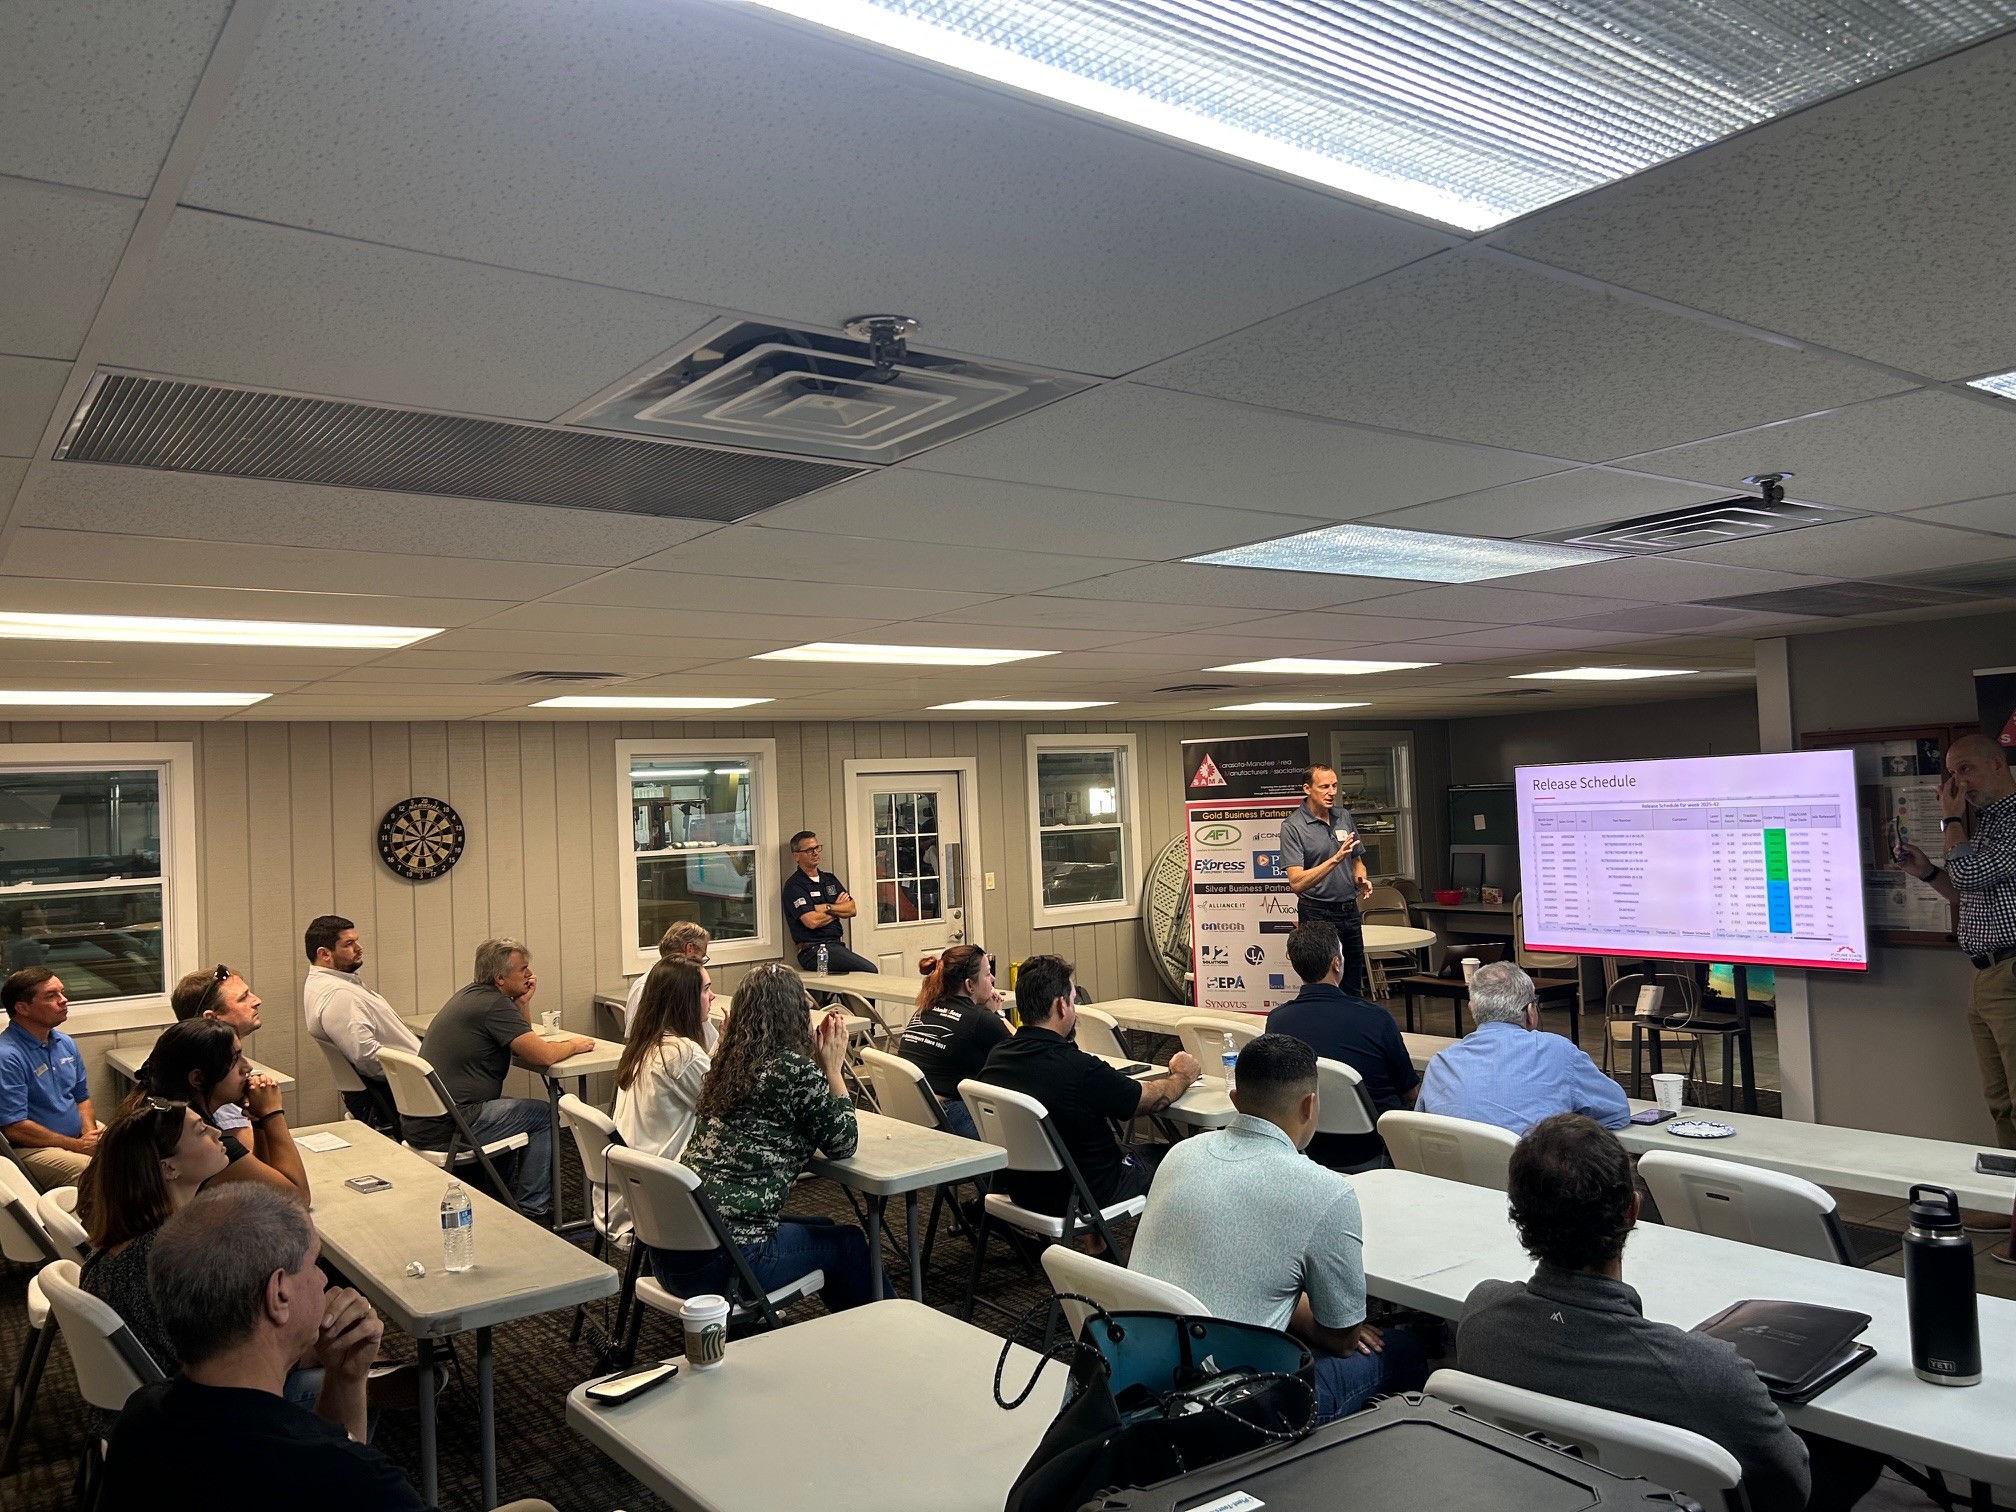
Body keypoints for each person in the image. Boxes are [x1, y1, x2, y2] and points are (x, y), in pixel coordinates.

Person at [1457, 1115, 1882, 1512]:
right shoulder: (1707, 1370)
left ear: (1518, 1214)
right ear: (1632, 1210)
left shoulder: (1481, 1316)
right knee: (1855, 1452)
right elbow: (1790, 1491)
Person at [1132, 1034, 1426, 1422]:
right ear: (1310, 1105)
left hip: (1141, 1376)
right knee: (1406, 1350)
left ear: (1234, 1100)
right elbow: (1342, 1339)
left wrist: (1289, 1307)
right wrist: (1311, 1314)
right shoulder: (1326, 1191)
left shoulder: (1179, 1154)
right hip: (1235, 1409)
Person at [99, 1186, 431, 1511]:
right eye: (315, 1263)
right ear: (279, 1295)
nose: (322, 1279)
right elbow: (337, 1473)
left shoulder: (139, 1421)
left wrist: (345, 1378)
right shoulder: (363, 1482)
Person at [655, 963, 884, 1310]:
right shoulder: (794, 1070)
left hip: (675, 1256)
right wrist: (833, 1070)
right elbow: (843, 1143)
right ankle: (891, 1331)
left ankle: (845, 1330)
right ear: (795, 1015)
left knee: (824, 1227)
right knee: (848, 1242)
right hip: (727, 1266)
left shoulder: (727, 1061)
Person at [1895, 734, 2016, 1258]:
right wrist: (1926, 872)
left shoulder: (2010, 819)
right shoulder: (1985, 824)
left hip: (2012, 973)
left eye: (1965, 769)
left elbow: (1970, 871)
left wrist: (1950, 821)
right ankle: (2013, 1205)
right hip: (1987, 974)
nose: (1957, 783)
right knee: (2002, 1103)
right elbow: (1967, 890)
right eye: (1951, 772)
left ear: (1998, 764)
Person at [978, 954, 1202, 1217]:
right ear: (1061, 1005)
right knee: (1187, 1160)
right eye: (1073, 1000)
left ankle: (1097, 1240)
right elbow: (1149, 1100)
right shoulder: (1078, 1069)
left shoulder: (997, 1057)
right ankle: (1144, 1245)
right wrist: (1182, 1076)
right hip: (1084, 1194)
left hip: (1024, 1190)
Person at [412, 938, 594, 1221]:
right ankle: (531, 1211)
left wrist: (521, 1003)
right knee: (545, 1115)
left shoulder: (472, 996)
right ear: (500, 978)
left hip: (427, 1122)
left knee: (514, 1110)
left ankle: (501, 1199)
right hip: (452, 1125)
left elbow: (521, 1043)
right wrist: (574, 1045)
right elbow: (542, 1055)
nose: (529, 974)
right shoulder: (494, 1006)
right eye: (523, 969)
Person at [1268, 921, 1419, 1170]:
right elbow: (1410, 1092)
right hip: (1376, 1148)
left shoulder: (1277, 1021)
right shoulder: (1375, 1018)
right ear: (1336, 963)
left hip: (1311, 1147)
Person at [1416, 961, 1628, 1134]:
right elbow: (1616, 1110)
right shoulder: (1558, 1051)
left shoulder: (1441, 1063)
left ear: (1472, 1010)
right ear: (1530, 1011)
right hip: (1535, 1171)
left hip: (1454, 1173)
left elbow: (1421, 1127)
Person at [139, 1017, 311, 1202]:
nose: (247, 1067)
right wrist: (272, 1113)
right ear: (198, 1079)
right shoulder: (199, 1142)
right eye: (234, 1060)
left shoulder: (161, 1116)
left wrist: (259, 1121)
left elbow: (258, 1182)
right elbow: (297, 1198)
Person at [610, 956, 715, 1236]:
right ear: (685, 1000)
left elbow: (706, 1083)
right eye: (706, 989)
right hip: (667, 1190)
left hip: (635, 1184)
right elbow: (726, 1106)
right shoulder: (681, 1053)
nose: (712, 996)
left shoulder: (644, 1046)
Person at [301, 915, 419, 1133]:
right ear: (324, 954)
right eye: (349, 944)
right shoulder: (339, 994)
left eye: (356, 940)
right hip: (402, 1095)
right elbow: (367, 1057)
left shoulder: (328, 983)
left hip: (397, 1089)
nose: (359, 947)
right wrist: (420, 1076)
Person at [1278, 765, 1373, 996]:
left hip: (1349, 912)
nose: (1332, 792)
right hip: (1317, 914)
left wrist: (1360, 878)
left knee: (1353, 986)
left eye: (1334, 786)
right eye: (1324, 787)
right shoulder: (1293, 826)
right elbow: (1296, 882)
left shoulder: (1344, 816)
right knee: (1322, 985)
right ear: (1307, 789)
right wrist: (1335, 859)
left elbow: (1357, 860)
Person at [898, 943, 1011, 1137]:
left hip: (911, 1109)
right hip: (948, 1116)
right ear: (969, 985)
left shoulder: (925, 1008)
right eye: (987, 974)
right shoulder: (979, 1018)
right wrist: (998, 1015)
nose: (993, 979)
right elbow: (1023, 1050)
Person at [0, 968, 98, 1189]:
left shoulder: (65, 1043)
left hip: (77, 1138)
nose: (64, 1000)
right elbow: (15, 1127)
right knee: (89, 1170)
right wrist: (77, 1146)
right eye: (51, 996)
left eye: (62, 992)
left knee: (133, 1150)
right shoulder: (6, 1056)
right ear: (22, 1008)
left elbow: (81, 1098)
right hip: (32, 1148)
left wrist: (90, 1135)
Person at [171, 963, 268, 1150]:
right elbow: (257, 1161)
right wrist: (269, 1114)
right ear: (211, 1018)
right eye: (243, 998)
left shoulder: (193, 1060)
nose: (257, 1000)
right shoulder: (217, 1079)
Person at [784, 831, 877, 974]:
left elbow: (852, 909)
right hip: (812, 951)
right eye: (809, 850)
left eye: (817, 848)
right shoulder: (794, 886)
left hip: (835, 946)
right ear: (796, 856)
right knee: (869, 970)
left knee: (863, 971)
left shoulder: (829, 879)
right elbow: (812, 921)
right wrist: (838, 910)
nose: (815, 853)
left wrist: (826, 907)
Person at [623, 919, 711, 1030]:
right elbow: (636, 1034)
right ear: (690, 949)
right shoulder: (646, 986)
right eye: (701, 957)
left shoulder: (680, 983)